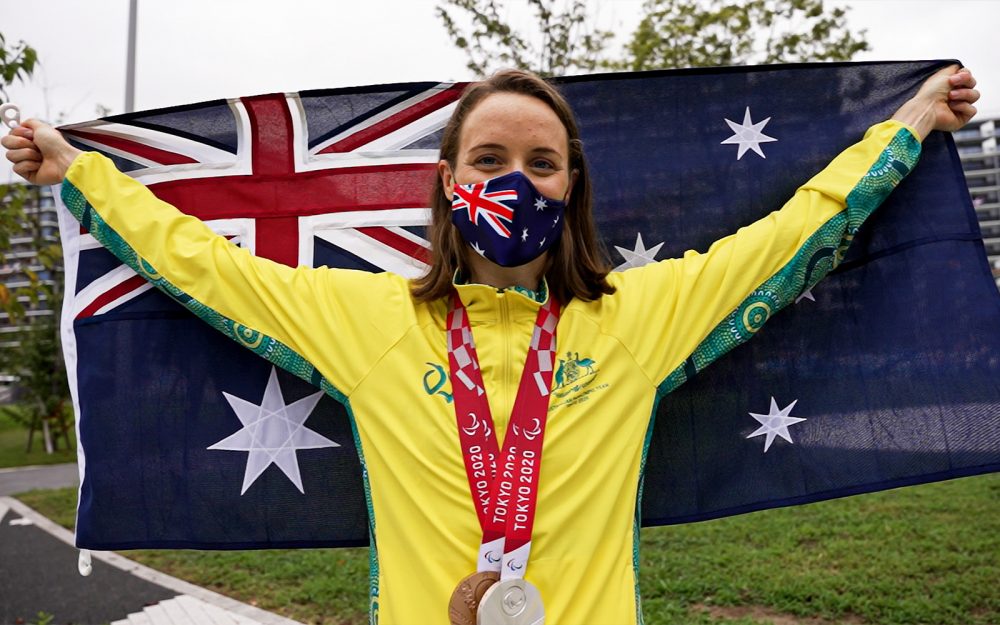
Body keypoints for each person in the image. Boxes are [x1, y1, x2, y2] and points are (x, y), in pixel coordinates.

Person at [2, 64, 980, 625]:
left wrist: (906, 125)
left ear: (571, 189)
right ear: (449, 184)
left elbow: (788, 240)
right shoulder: (367, 323)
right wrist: (81, 174)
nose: (517, 181)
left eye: (541, 163)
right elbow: (204, 266)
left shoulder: (636, 320)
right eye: (490, 160)